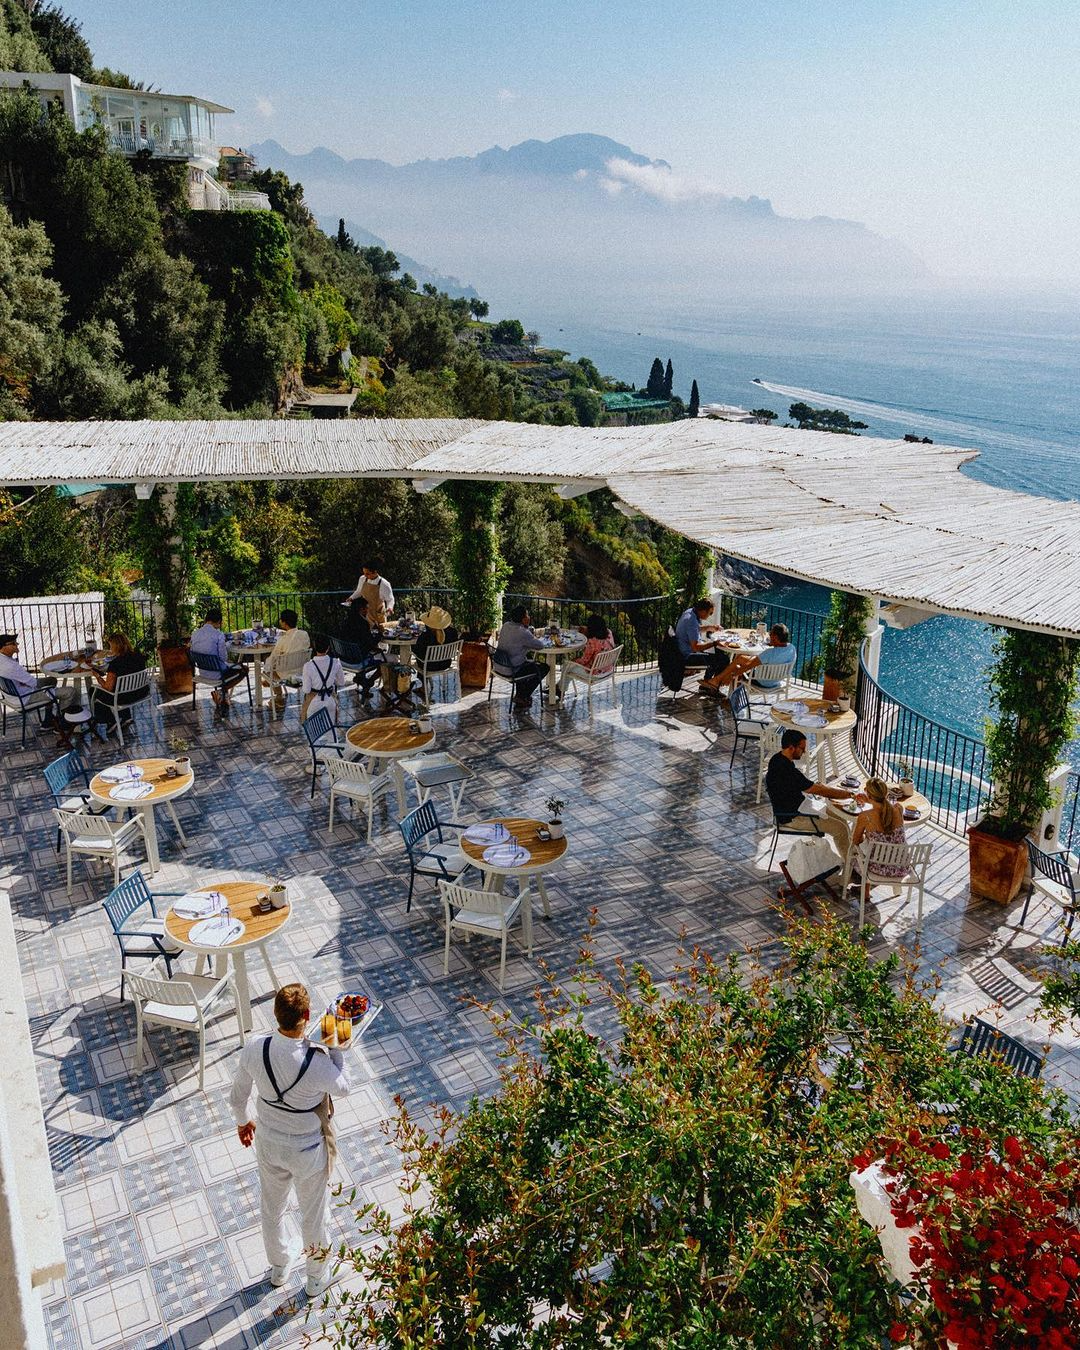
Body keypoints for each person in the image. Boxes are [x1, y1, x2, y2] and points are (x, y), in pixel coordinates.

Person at [230, 983, 354, 1298]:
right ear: (308, 1016)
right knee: (313, 1214)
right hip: (308, 1149)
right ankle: (315, 1278)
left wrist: (243, 1122)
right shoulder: (316, 1061)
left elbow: (236, 1097)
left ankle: (279, 1267)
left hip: (268, 1142)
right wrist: (336, 1048)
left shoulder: (254, 1047)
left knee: (272, 1207)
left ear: (276, 1014)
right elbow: (343, 1087)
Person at [765, 728, 862, 856]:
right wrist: (849, 794)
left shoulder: (776, 759)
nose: (804, 751)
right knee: (840, 829)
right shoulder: (788, 772)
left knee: (841, 819)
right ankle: (851, 865)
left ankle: (851, 854)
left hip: (798, 807)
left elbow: (810, 786)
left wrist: (822, 788)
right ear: (791, 747)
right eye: (802, 748)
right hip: (792, 817)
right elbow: (819, 791)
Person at [0, 632, 76, 729]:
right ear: (3, 647)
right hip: (25, 697)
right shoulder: (11, 666)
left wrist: (23, 683)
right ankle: (61, 723)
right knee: (70, 691)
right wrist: (26, 684)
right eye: (13, 643)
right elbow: (33, 683)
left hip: (12, 694)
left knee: (51, 680)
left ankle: (48, 720)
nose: (17, 645)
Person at [849, 776, 908, 889]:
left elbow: (856, 841)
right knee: (878, 846)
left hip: (878, 868)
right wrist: (870, 800)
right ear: (885, 793)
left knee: (862, 849)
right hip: (900, 867)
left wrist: (866, 839)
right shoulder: (898, 808)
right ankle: (865, 891)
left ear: (869, 795)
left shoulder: (865, 816)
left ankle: (863, 890)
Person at [709, 623, 797, 694]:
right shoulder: (792, 649)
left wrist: (731, 676)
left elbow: (748, 666)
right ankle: (717, 681)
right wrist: (773, 644)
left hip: (762, 681)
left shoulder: (768, 653)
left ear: (776, 638)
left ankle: (729, 697)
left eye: (771, 635)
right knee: (740, 658)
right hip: (776, 680)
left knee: (738, 668)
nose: (769, 636)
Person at [88, 632, 147, 736]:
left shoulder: (116, 664)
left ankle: (111, 721)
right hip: (141, 692)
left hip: (125, 697)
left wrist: (97, 676)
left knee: (93, 691)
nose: (110, 649)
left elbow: (108, 687)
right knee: (122, 688)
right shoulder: (138, 655)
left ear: (116, 646)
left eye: (111, 646)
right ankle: (126, 717)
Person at [189, 608, 246, 710]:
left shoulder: (195, 634)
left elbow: (193, 650)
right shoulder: (218, 635)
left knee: (226, 666)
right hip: (217, 674)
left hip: (203, 672)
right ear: (219, 622)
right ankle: (220, 692)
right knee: (243, 669)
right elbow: (224, 657)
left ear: (207, 619)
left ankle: (223, 697)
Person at [493, 604, 544, 709]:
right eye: (527, 615)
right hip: (511, 670)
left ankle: (520, 695)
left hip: (498, 665)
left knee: (525, 662)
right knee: (544, 668)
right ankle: (522, 696)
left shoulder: (506, 625)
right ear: (523, 619)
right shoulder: (523, 632)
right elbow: (540, 646)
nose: (529, 617)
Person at [673, 598, 730, 690]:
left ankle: (708, 683)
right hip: (687, 657)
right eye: (710, 613)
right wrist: (713, 643)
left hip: (682, 651)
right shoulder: (691, 621)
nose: (710, 615)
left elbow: (695, 629)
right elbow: (695, 647)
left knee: (719, 653)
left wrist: (711, 627)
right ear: (703, 611)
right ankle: (711, 685)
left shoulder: (690, 613)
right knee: (723, 660)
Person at [558, 613, 615, 697]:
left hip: (594, 674)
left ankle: (560, 690)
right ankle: (559, 688)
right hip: (607, 670)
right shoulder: (609, 633)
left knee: (566, 666)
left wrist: (573, 661)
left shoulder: (592, 642)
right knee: (569, 666)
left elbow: (584, 661)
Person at [339, 597, 384, 699]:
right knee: (387, 662)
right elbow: (370, 644)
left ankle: (360, 678)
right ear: (361, 609)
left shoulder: (345, 621)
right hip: (358, 660)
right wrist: (380, 635)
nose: (367, 610)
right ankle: (369, 682)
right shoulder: (363, 623)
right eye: (366, 608)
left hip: (345, 658)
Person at [265, 609, 310, 708]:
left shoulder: (283, 640)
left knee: (268, 671)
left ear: (284, 623)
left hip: (286, 674)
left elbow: (272, 659)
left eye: (281, 620)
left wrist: (266, 667)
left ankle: (279, 697)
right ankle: (269, 683)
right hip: (301, 670)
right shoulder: (304, 634)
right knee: (274, 666)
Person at [300, 634, 345, 723]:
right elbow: (341, 682)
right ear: (328, 648)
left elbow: (306, 690)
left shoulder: (308, 666)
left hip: (313, 703)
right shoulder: (336, 663)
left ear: (314, 647)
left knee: (315, 732)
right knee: (330, 731)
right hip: (330, 701)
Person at [345, 560, 394, 626]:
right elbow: (359, 591)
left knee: (379, 632)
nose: (365, 575)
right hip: (366, 612)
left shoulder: (384, 584)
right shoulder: (362, 579)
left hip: (378, 614)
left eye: (367, 573)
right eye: (364, 573)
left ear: (375, 572)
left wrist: (390, 608)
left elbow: (390, 599)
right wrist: (351, 598)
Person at [412, 605, 459, 672]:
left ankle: (422, 681)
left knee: (421, 659)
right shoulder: (453, 632)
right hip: (446, 664)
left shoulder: (425, 636)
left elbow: (417, 652)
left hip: (429, 667)